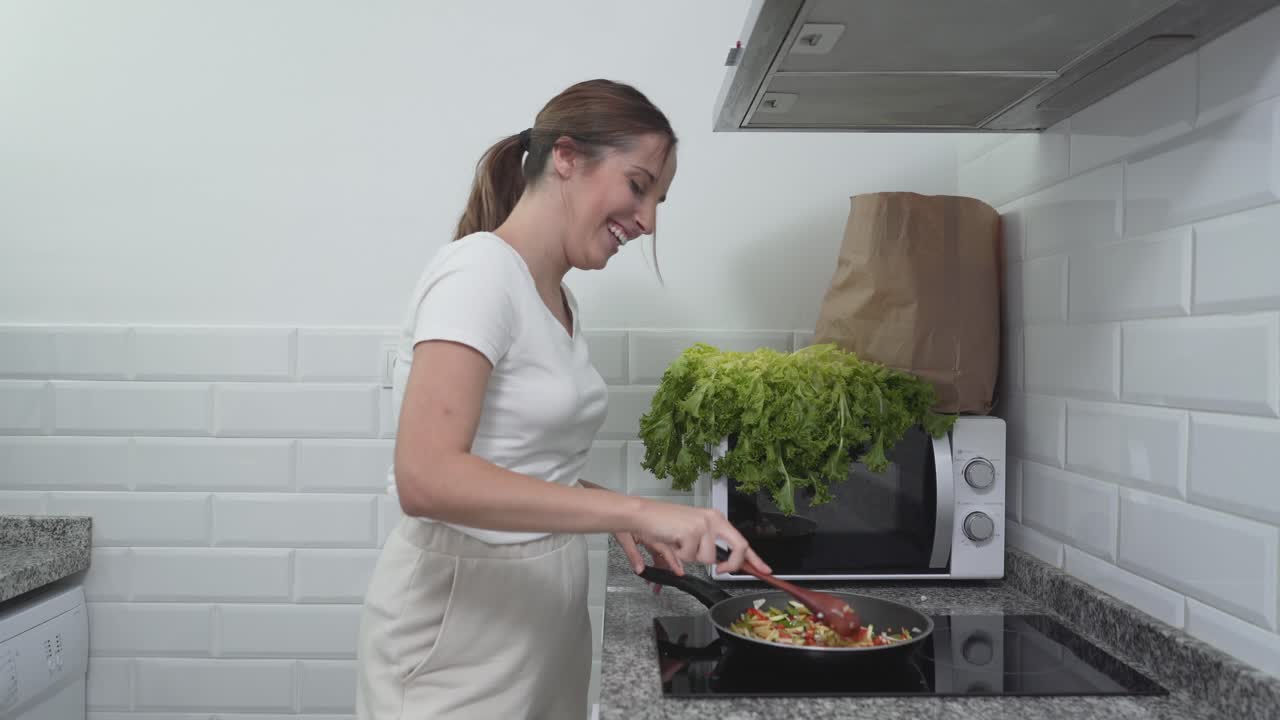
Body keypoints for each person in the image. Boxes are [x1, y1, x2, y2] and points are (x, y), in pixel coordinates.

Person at [355, 79, 769, 720]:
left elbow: (516, 461)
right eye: (638, 186)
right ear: (567, 157)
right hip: (461, 627)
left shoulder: (557, 298)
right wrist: (636, 509)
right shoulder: (478, 273)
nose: (649, 220)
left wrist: (616, 512)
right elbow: (426, 478)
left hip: (544, 620)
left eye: (658, 199)